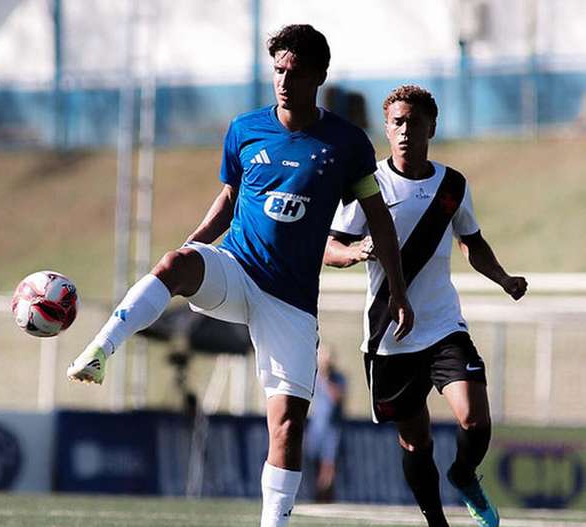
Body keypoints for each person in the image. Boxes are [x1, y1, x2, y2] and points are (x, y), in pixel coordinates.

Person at [67, 25, 414, 527]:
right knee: (173, 262)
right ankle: (100, 349)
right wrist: (193, 244)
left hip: (289, 303)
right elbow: (229, 200)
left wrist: (397, 291)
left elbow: (377, 217)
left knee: (288, 427)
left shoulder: (347, 144)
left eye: (294, 72)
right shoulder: (244, 129)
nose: (284, 80)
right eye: (277, 69)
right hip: (236, 269)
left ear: (318, 75)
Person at [324, 85, 528, 527]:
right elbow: (330, 246)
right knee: (416, 443)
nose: (405, 131)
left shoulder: (452, 185)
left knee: (474, 418)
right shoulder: (368, 184)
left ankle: (463, 473)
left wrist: (504, 278)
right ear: (386, 127)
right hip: (390, 336)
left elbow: (471, 242)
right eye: (397, 123)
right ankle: (436, 521)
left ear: (430, 127)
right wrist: (355, 251)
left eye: (414, 123)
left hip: (441, 327)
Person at [303, 346, 346, 503]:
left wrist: (327, 379)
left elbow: (337, 398)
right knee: (314, 462)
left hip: (332, 428)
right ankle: (317, 494)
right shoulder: (314, 377)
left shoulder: (338, 378)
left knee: (329, 464)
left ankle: (326, 496)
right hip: (316, 426)